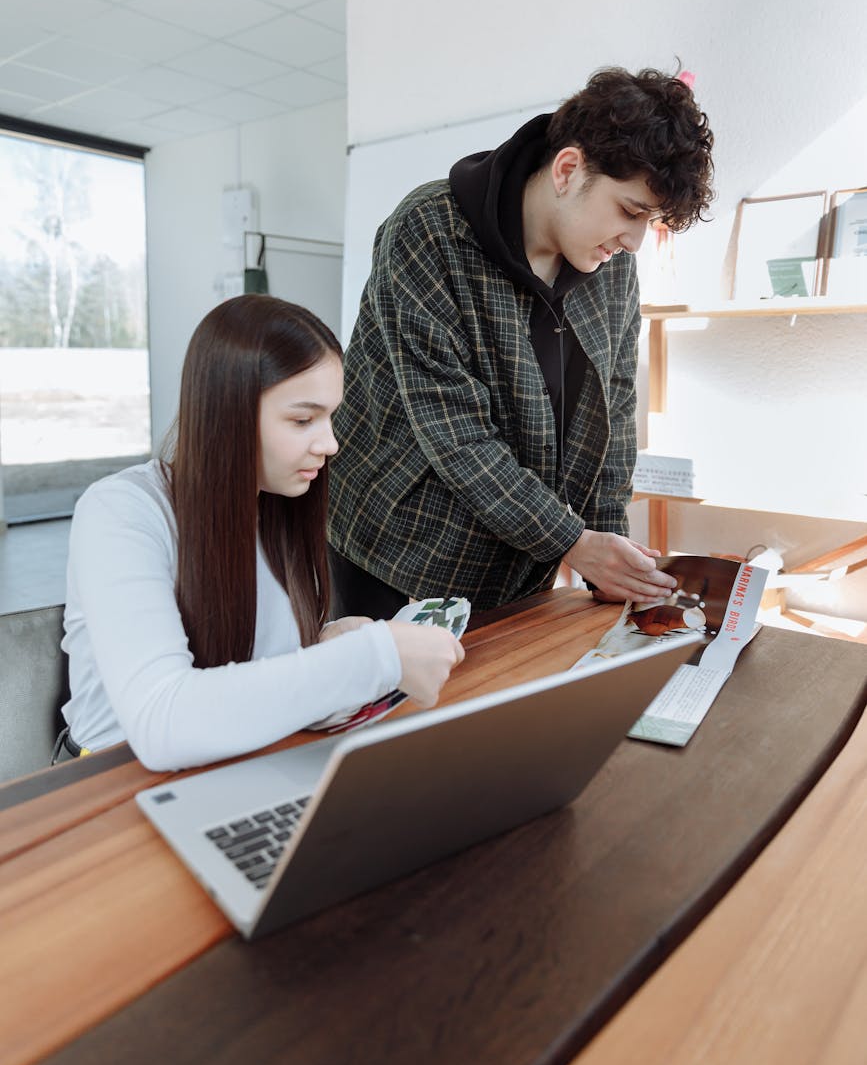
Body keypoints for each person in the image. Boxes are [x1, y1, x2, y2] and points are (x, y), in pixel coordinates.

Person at [328, 66, 715, 615]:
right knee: (405, 700)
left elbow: (615, 405)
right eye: (629, 211)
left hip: (521, 557)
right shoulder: (429, 232)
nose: (633, 242)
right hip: (398, 550)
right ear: (567, 169)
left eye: (647, 223)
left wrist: (609, 554)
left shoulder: (611, 268)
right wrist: (575, 544)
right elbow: (456, 434)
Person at [58, 295, 462, 772]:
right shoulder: (121, 513)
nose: (330, 443)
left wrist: (326, 643)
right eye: (302, 419)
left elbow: (251, 678)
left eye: (330, 416)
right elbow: (162, 720)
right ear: (227, 410)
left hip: (233, 768)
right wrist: (372, 657)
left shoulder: (279, 510)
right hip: (105, 786)